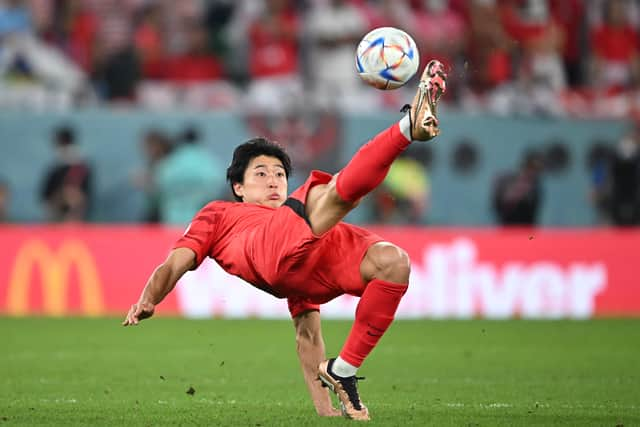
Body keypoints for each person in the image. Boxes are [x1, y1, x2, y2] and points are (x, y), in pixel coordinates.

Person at [123, 60, 448, 421]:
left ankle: (343, 370)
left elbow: (307, 338)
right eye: (260, 173)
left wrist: (324, 411)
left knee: (394, 262)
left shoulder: (296, 222)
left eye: (279, 173)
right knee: (328, 193)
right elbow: (176, 262)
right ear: (239, 188)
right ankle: (406, 128)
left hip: (308, 258)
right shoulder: (218, 214)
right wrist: (149, 299)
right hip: (265, 247)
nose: (274, 180)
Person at [40, 125, 93, 222]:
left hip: (72, 218)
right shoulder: (57, 166)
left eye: (57, 142)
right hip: (56, 215)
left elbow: (78, 196)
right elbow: (46, 196)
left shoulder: (79, 166)